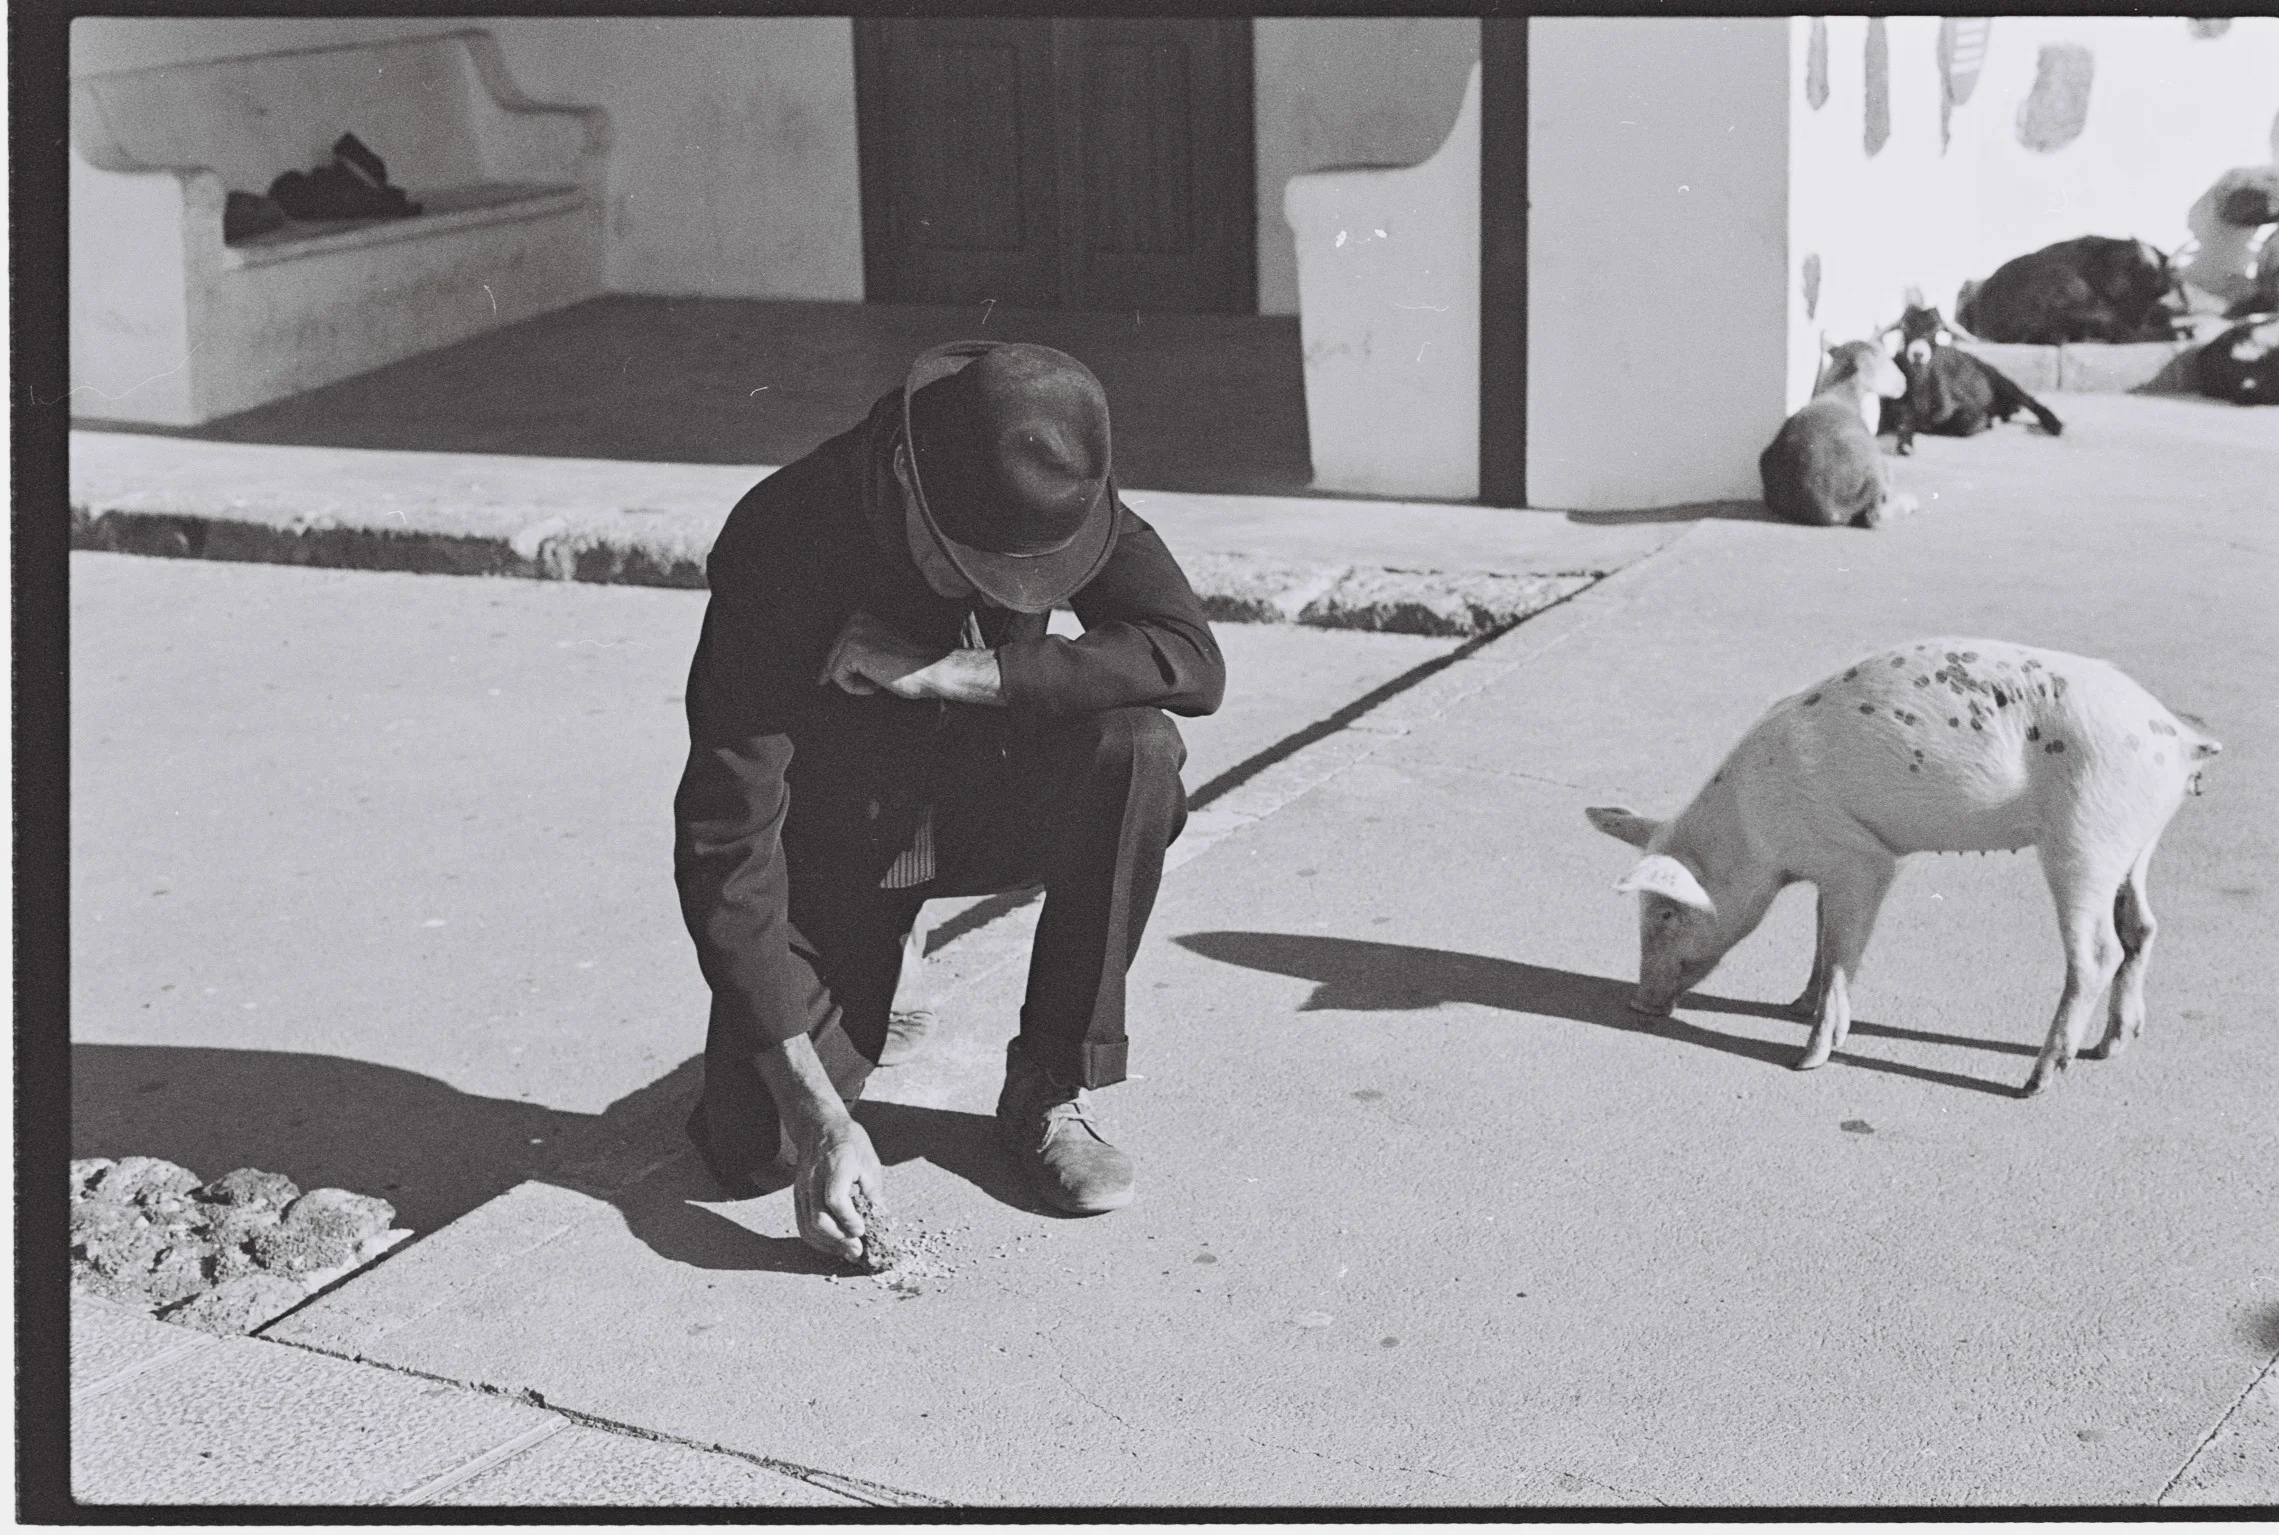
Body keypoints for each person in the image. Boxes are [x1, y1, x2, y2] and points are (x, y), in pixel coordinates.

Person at [673, 340, 1225, 1263]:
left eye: (1021, 575)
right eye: (968, 560)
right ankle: (887, 943)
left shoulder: (1046, 487)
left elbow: (1190, 660)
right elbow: (726, 840)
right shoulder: (782, 539)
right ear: (905, 473)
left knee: (1137, 749)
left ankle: (1049, 1082)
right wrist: (818, 1119)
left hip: (981, 804)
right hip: (842, 841)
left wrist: (965, 671)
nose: (995, 589)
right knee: (755, 1153)